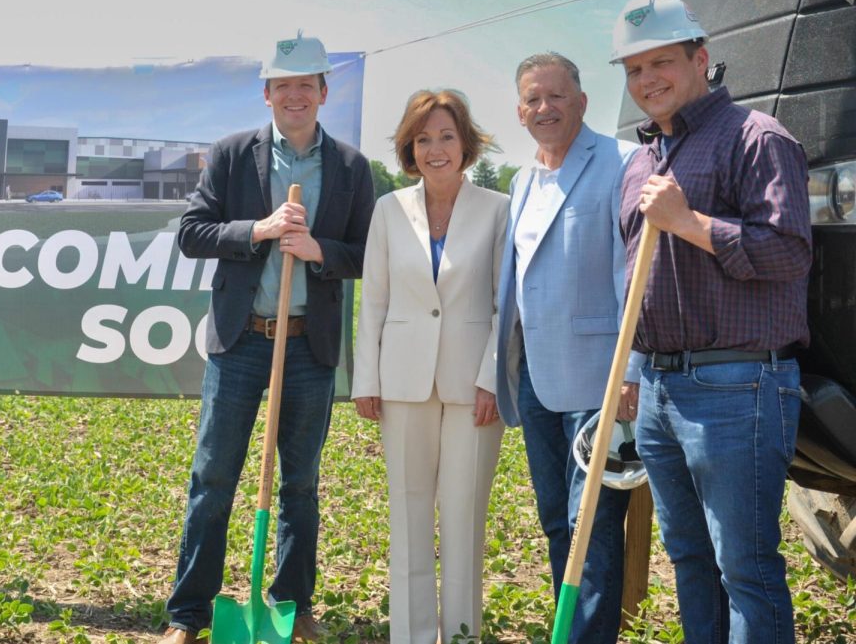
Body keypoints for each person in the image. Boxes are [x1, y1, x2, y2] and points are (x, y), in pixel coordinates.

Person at [163, 32, 375, 644]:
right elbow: (192, 233)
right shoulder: (232, 155)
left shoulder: (351, 168)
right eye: (284, 85)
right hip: (240, 342)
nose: (295, 95)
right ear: (267, 94)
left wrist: (319, 252)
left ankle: (292, 604)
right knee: (213, 478)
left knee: (300, 483)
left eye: (306, 84)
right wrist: (259, 229)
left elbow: (365, 254)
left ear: (324, 93)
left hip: (308, 348)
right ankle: (189, 614)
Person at [612, 0, 811, 643]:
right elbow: (638, 281)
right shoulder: (640, 162)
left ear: (700, 58)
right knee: (691, 562)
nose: (648, 80)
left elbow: (787, 252)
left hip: (739, 388)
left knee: (744, 569)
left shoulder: (757, 139)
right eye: (635, 70)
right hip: (661, 391)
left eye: (661, 62)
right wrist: (635, 369)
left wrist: (689, 222)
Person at [351, 89, 507, 644]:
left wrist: (493, 378)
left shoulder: (497, 208)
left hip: (474, 390)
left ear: (465, 143)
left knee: (464, 518)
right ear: (408, 148)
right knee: (409, 517)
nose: (434, 149)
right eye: (423, 139)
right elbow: (374, 300)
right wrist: (366, 379)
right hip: (402, 383)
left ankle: (461, 635)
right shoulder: (388, 210)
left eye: (445, 136)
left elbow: (503, 305)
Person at [494, 52, 639, 644]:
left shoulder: (621, 162)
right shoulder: (522, 181)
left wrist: (630, 372)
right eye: (532, 98)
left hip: (597, 381)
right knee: (558, 521)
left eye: (556, 95)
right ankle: (571, 630)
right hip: (536, 379)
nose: (544, 107)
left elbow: (635, 277)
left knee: (592, 527)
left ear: (582, 100)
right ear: (519, 111)